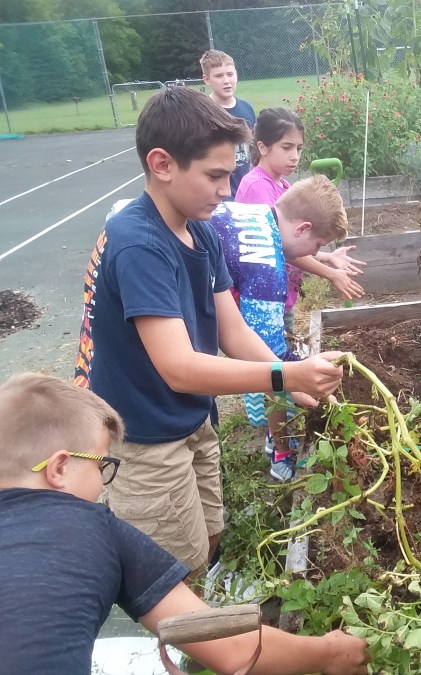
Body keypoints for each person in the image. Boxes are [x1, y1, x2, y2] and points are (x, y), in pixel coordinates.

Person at [74, 87, 347, 581]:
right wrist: (284, 379)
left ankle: (212, 585)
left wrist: (288, 373)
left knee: (209, 525)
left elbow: (232, 328)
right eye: (215, 176)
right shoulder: (139, 245)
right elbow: (179, 368)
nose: (226, 190)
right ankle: (188, 637)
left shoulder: (200, 229)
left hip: (191, 418)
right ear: (162, 164)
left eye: (229, 174)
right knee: (170, 564)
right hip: (146, 434)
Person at [0, 373, 369, 675]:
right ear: (59, 468)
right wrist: (328, 653)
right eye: (102, 467)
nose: (102, 482)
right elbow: (235, 649)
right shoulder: (96, 529)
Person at [214, 175, 349, 481]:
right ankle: (278, 453)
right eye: (317, 244)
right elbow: (268, 350)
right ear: (302, 228)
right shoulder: (268, 267)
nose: (314, 253)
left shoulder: (260, 214)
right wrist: (303, 379)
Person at [235, 107, 365, 334]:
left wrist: (326, 256)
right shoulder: (257, 187)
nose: (295, 156)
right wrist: (331, 273)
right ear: (262, 147)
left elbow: (293, 242)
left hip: (280, 294)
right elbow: (278, 247)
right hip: (261, 298)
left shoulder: (283, 185)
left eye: (298, 148)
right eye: (286, 148)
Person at [200, 49, 256, 198]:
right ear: (207, 80)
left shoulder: (247, 108)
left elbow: (254, 149)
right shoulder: (202, 111)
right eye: (219, 76)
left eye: (230, 74)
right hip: (217, 195)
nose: (226, 80)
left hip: (244, 191)